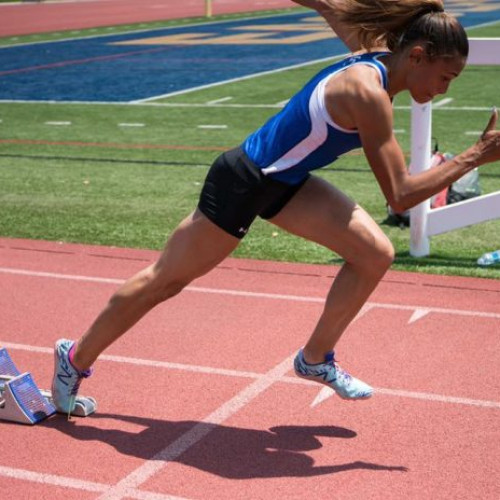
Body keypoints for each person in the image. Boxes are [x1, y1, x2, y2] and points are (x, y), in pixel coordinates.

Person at [52, 0, 500, 414]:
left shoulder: (377, 53)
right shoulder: (368, 94)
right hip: (245, 180)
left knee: (374, 254)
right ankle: (74, 358)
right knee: (164, 282)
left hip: (286, 183)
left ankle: (315, 358)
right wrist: (474, 155)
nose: (443, 89)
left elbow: (327, 4)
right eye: (446, 77)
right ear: (418, 56)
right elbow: (399, 196)